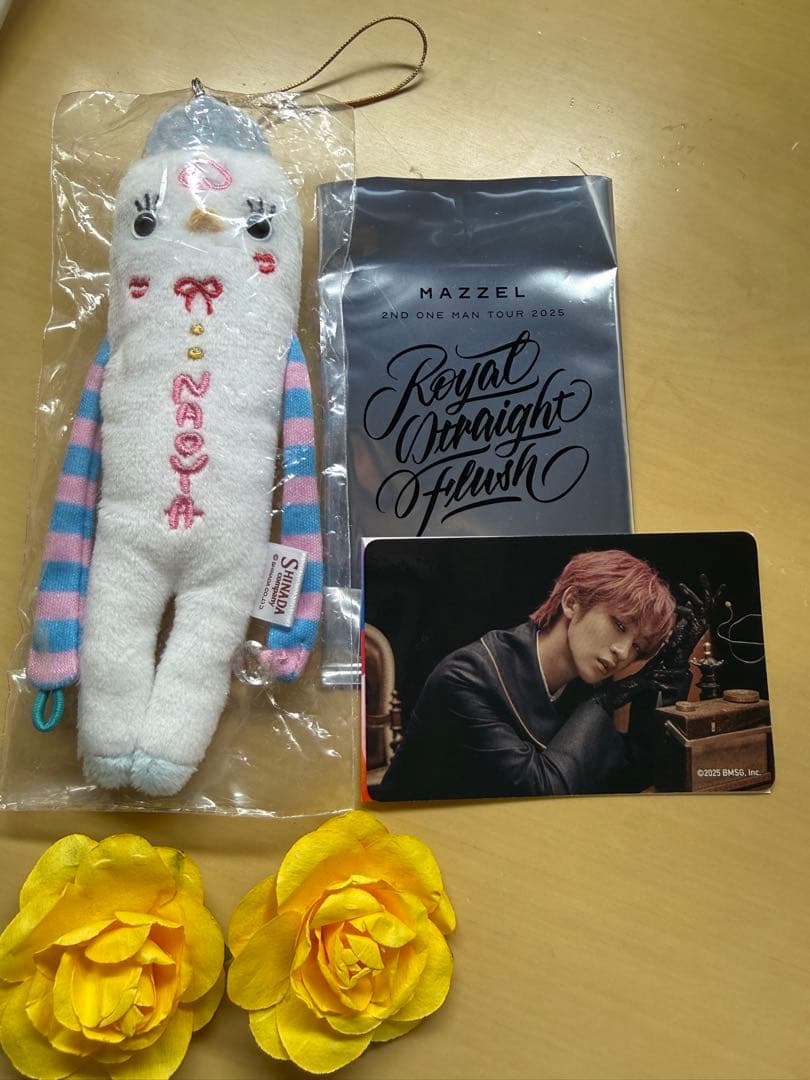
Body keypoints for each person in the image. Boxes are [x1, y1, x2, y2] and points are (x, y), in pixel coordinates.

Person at [371, 549, 707, 801]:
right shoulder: (468, 679)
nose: (623, 652)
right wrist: (605, 701)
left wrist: (670, 676)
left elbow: (626, 776)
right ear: (572, 602)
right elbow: (543, 792)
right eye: (619, 624)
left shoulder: (582, 681)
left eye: (637, 647)